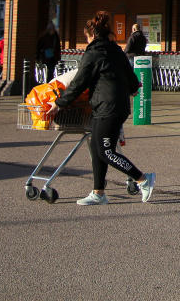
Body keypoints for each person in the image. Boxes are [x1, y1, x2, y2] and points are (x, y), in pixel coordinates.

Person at [47, 10, 156, 205]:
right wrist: (130, 89)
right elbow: (132, 79)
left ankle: (143, 179)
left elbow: (79, 82)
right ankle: (98, 192)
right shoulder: (115, 50)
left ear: (91, 35)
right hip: (111, 106)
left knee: (106, 151)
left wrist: (58, 103)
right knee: (97, 149)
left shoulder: (93, 53)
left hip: (108, 107)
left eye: (86, 37)